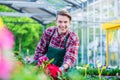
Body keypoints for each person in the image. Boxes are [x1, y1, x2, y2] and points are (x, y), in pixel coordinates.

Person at [33, 10, 79, 74]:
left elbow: (70, 58)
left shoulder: (73, 37)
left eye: (65, 22)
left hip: (62, 72)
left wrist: (59, 70)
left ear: (69, 23)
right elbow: (40, 50)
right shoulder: (49, 32)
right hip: (45, 69)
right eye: (60, 22)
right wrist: (34, 64)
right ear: (56, 22)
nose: (63, 25)